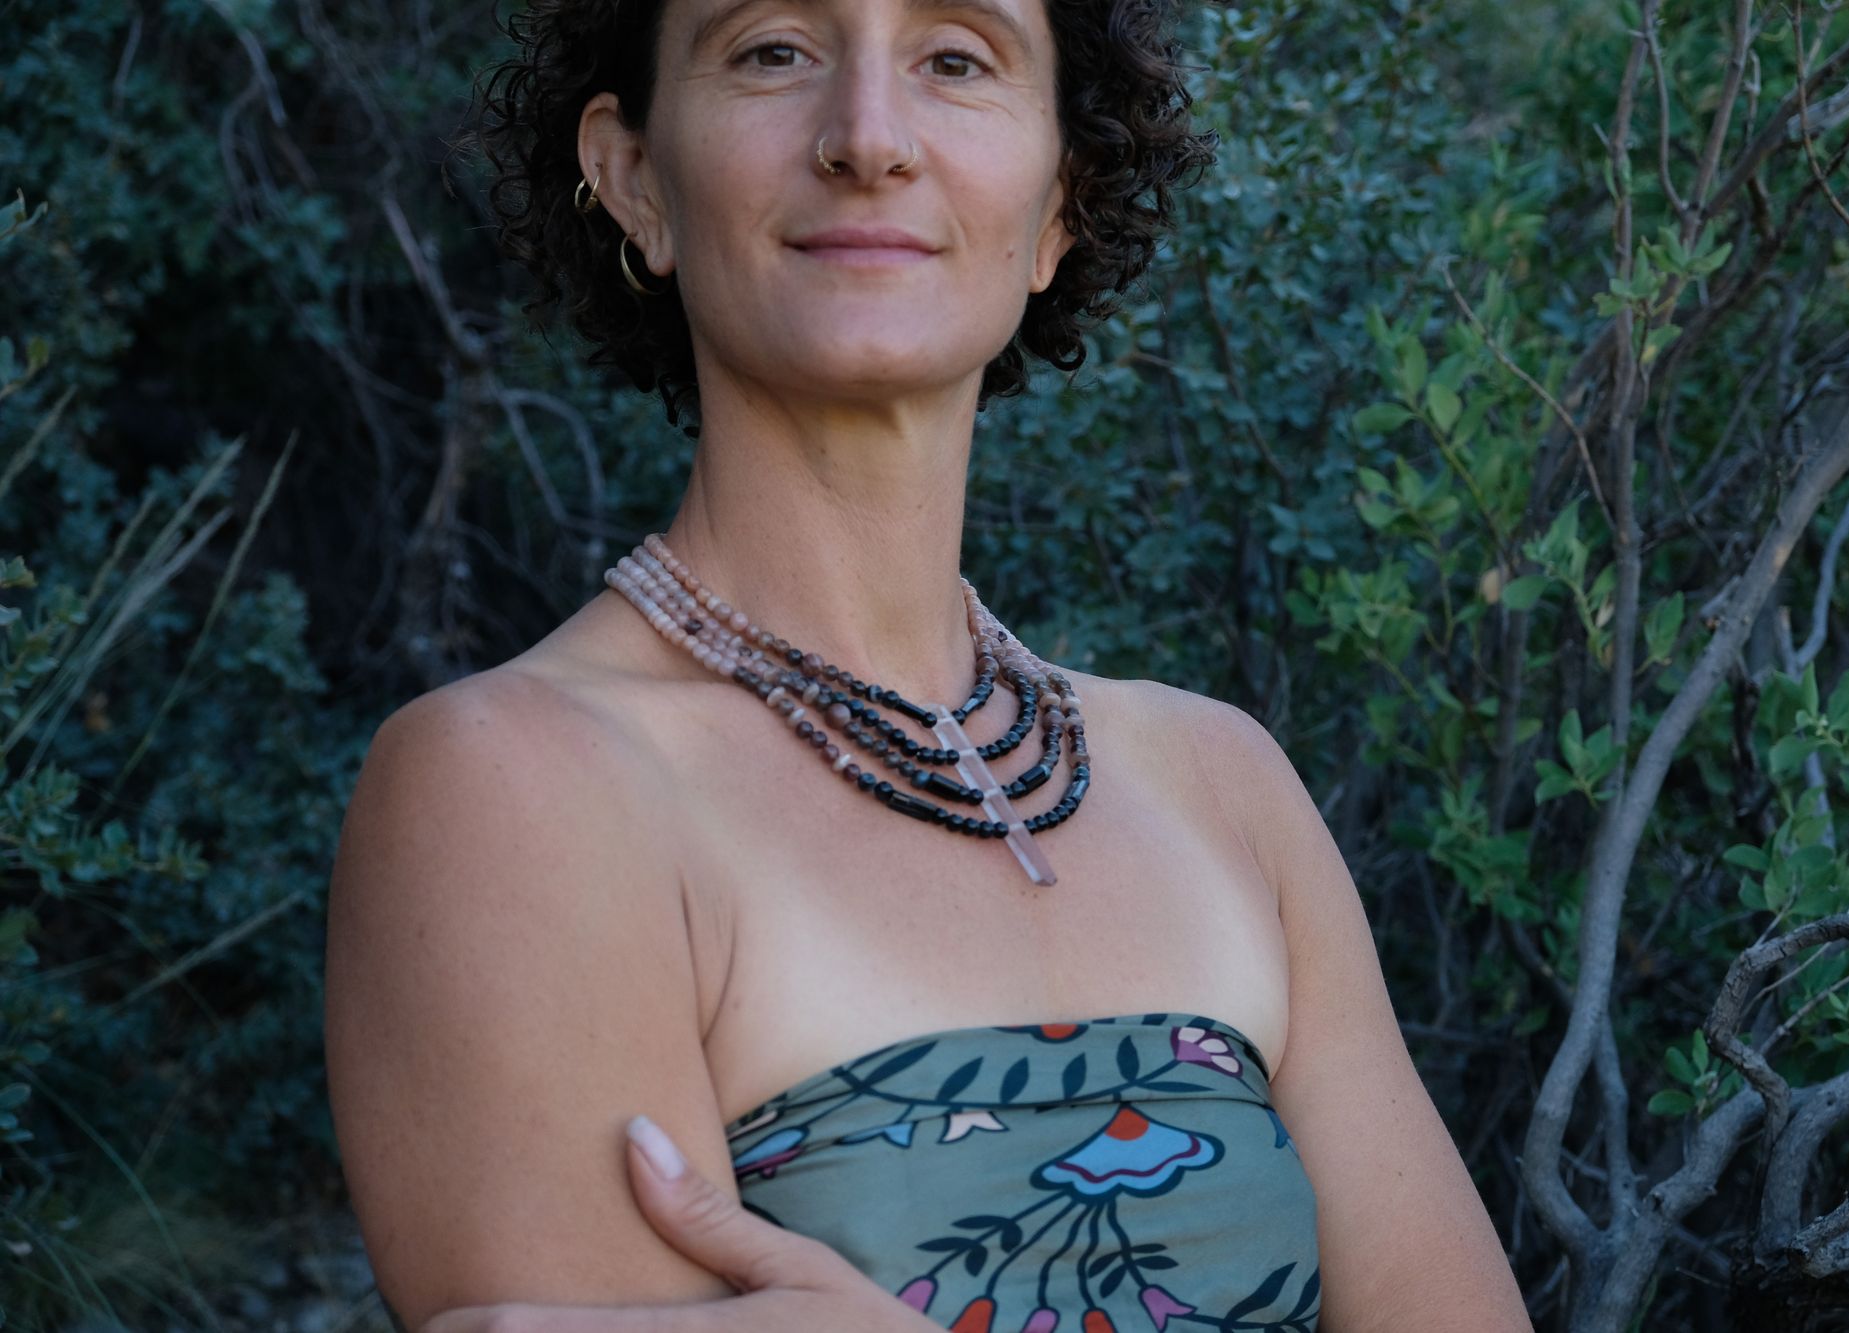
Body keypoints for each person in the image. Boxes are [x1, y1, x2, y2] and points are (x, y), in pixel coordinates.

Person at [323, 0, 1533, 1329]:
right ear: (633, 177)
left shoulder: (1221, 784)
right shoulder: (517, 792)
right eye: (773, 48)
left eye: (956, 58)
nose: (869, 138)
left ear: (1060, 198)